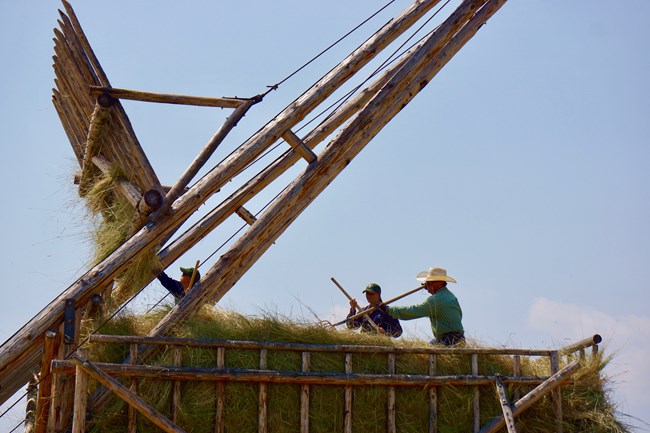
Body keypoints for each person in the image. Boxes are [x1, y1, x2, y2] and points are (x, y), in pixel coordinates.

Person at [387, 267, 464, 345]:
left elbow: (415, 310)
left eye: (430, 282)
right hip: (457, 339)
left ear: (440, 283)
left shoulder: (436, 300)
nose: (426, 285)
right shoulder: (450, 296)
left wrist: (390, 310)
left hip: (449, 341)